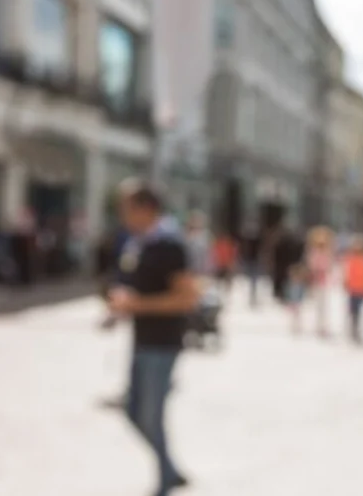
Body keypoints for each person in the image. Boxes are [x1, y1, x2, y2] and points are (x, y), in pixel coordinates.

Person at [108, 180, 199, 496]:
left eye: (127, 207)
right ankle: (170, 470)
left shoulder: (169, 244)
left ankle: (164, 482)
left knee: (151, 414)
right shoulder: (139, 242)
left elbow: (187, 298)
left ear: (145, 209)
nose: (122, 213)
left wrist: (136, 305)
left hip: (163, 342)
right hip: (141, 338)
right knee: (134, 410)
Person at [342, 234, 363, 344]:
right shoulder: (350, 257)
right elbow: (347, 272)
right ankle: (352, 329)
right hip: (352, 289)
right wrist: (345, 283)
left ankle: (357, 330)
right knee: (352, 310)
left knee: (359, 311)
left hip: (362, 289)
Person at [305, 226, 334, 337]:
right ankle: (319, 325)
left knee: (324, 305)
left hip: (324, 281)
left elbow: (329, 266)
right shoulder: (314, 252)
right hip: (316, 280)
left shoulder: (327, 252)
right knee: (318, 305)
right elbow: (311, 266)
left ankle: (323, 326)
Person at [241, 221, 263, 306]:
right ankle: (252, 295)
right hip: (251, 260)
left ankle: (253, 295)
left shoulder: (256, 239)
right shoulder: (248, 239)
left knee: (253, 279)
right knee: (252, 279)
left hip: (254, 261)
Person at [212, 231, 237, 295]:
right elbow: (215, 253)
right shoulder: (219, 244)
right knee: (219, 279)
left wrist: (232, 263)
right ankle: (219, 291)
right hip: (220, 264)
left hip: (227, 264)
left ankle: (227, 291)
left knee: (227, 279)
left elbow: (233, 254)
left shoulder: (230, 245)